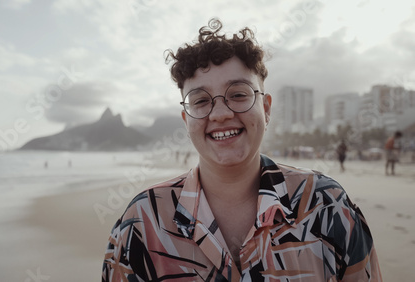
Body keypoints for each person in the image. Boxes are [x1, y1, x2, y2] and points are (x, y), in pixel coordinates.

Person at [102, 19, 381, 281]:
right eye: (200, 101)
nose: (220, 113)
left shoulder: (326, 205)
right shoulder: (143, 222)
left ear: (266, 108)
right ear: (187, 120)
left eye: (238, 94)